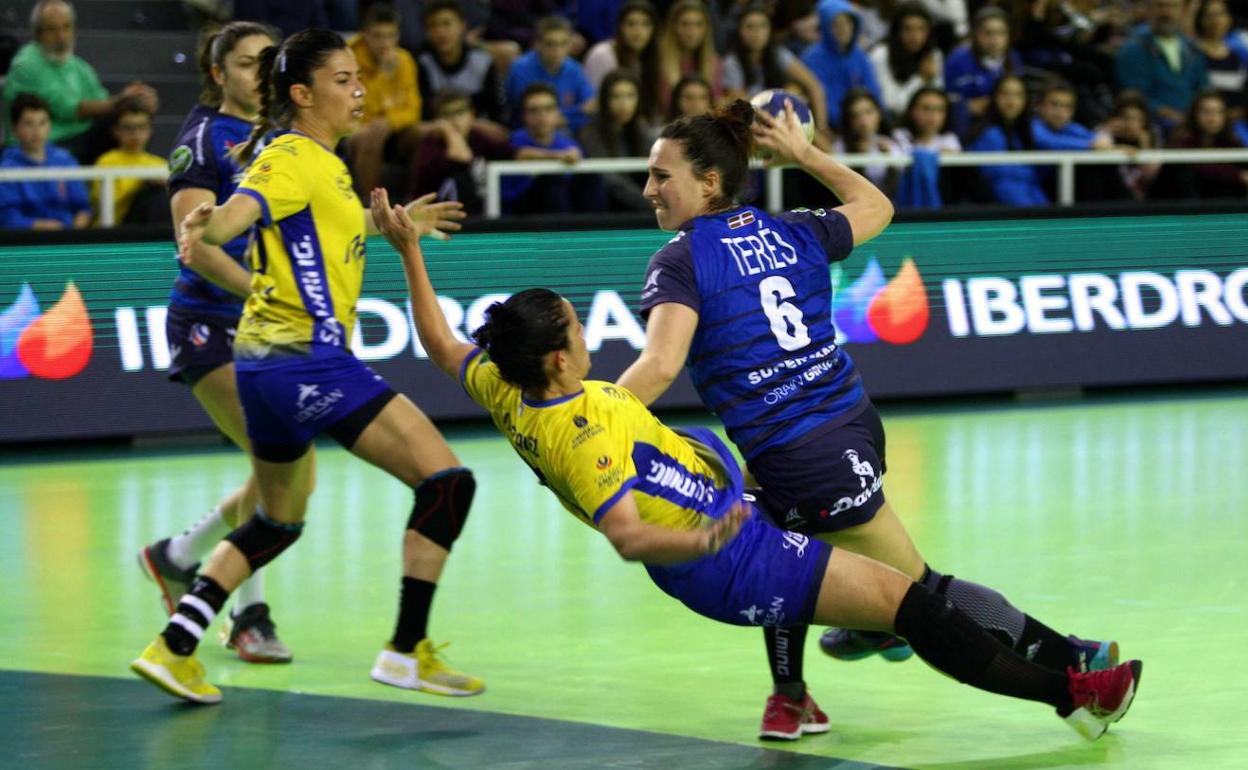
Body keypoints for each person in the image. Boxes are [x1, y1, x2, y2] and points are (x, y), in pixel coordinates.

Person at [368, 178, 1143, 745]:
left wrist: (408, 252)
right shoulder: (584, 435)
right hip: (729, 559)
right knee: (914, 603)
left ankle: (796, 693)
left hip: (724, 505)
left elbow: (439, 343)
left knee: (863, 575)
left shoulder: (504, 386)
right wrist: (708, 535)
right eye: (576, 328)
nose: (586, 332)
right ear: (559, 359)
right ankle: (1074, 695)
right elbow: (629, 536)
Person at [614, 99, 1125, 740]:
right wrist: (804, 154)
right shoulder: (792, 229)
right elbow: (878, 206)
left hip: (804, 453)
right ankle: (801, 685)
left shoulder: (681, 259)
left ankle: (1072, 662)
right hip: (851, 422)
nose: (649, 189)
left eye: (661, 175)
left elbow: (659, 366)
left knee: (922, 594)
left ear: (709, 180)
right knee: (781, 551)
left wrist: (591, 422)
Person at [129, 28, 483, 704]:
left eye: (358, 77)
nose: (360, 91)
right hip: (306, 360)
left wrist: (395, 222)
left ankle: (173, 647)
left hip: (263, 366)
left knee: (276, 521)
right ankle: (405, 650)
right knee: (447, 483)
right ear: (302, 94)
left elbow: (323, 223)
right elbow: (236, 214)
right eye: (343, 80)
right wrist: (211, 223)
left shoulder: (319, 160)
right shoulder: (291, 155)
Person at [134, 21, 295, 665]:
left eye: (269, 62)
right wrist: (262, 290)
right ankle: (247, 613)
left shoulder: (280, 139)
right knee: (274, 464)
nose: (262, 73)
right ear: (218, 73)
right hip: (209, 323)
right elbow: (195, 247)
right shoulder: (202, 140)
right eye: (249, 63)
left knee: (280, 467)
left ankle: (177, 555)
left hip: (267, 327)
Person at [2, 0, 158, 164]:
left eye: (66, 27)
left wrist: (137, 101)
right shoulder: (27, 64)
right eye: (52, 29)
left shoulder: (79, 66)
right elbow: (68, 109)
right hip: (43, 144)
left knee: (134, 118)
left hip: (78, 139)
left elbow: (104, 102)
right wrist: (121, 101)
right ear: (37, 34)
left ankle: (141, 174)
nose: (61, 36)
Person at [346, 2, 424, 197]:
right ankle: (370, 204)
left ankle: (414, 200)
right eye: (378, 36)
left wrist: (389, 121)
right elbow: (362, 107)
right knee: (371, 136)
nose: (385, 43)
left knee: (423, 134)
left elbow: (413, 109)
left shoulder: (404, 59)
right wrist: (382, 74)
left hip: (390, 129)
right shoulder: (349, 58)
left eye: (391, 36)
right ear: (365, 34)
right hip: (355, 128)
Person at [723, 3, 829, 134]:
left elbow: (814, 86)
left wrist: (822, 127)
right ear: (740, 31)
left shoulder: (778, 54)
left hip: (782, 121)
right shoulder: (731, 62)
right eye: (750, 26)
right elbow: (743, 104)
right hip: (751, 125)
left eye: (762, 26)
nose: (756, 32)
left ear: (770, 30)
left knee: (795, 92)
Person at [0, 92, 90, 231]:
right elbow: (8, 218)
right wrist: (45, 228)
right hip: (27, 240)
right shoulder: (6, 169)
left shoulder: (65, 160)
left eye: (42, 123)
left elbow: (82, 207)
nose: (37, 131)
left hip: (68, 237)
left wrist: (77, 227)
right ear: (15, 129)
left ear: (49, 126)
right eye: (29, 124)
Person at [1115, 0, 1209, 130]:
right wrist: (1171, 115)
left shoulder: (1193, 48)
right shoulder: (1133, 48)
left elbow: (1203, 88)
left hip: (1193, 124)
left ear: (1183, 10)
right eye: (1160, 6)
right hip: (1152, 126)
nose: (1167, 12)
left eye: (1173, 6)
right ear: (1149, 9)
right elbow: (1133, 96)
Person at [416, 0, 509, 126]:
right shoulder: (421, 63)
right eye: (433, 26)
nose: (440, 32)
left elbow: (499, 115)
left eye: (446, 24)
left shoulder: (482, 61)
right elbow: (423, 117)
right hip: (438, 129)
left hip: (478, 128)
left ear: (462, 26)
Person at [578, 70, 656, 211]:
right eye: (616, 97)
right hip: (607, 210)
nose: (624, 104)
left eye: (630, 96)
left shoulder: (641, 128)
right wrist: (648, 203)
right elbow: (611, 180)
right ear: (604, 100)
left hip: (641, 206)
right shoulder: (590, 133)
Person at [503, 83, 587, 214]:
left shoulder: (568, 143)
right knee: (552, 181)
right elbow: (522, 153)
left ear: (558, 113)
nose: (542, 115)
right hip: (519, 210)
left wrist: (574, 154)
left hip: (562, 206)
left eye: (549, 108)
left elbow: (576, 155)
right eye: (534, 110)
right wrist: (559, 156)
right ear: (523, 115)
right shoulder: (513, 140)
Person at [967, 74, 1050, 206]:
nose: (1011, 100)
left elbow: (1053, 140)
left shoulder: (1024, 130)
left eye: (1018, 95)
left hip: (1029, 190)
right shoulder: (988, 133)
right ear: (995, 97)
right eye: (1005, 93)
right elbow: (998, 177)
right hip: (1000, 201)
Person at [505, 15, 594, 133]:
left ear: (570, 44)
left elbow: (591, 107)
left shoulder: (575, 69)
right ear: (537, 44)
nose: (557, 50)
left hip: (569, 132)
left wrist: (561, 118)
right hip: (528, 133)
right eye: (550, 44)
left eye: (563, 43)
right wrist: (576, 112)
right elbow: (532, 117)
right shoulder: (520, 69)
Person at [799, 0, 881, 128]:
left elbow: (874, 92)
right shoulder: (812, 58)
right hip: (833, 126)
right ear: (825, 27)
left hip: (865, 122)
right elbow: (823, 100)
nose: (844, 29)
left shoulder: (859, 56)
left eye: (848, 23)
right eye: (836, 25)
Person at [943, 6, 1021, 140]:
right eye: (988, 33)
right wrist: (966, 106)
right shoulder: (957, 59)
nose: (995, 39)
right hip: (967, 123)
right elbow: (946, 98)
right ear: (975, 34)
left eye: (1001, 33)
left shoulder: (1014, 59)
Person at [90, 95, 166, 226]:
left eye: (141, 127)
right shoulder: (106, 161)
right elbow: (103, 205)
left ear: (150, 130)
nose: (135, 134)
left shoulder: (159, 164)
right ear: (116, 130)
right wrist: (140, 184)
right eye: (128, 128)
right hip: (118, 226)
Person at [582, 0, 661, 122]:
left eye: (645, 24)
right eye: (631, 24)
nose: (638, 31)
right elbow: (593, 104)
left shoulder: (650, 58)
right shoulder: (602, 55)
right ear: (620, 27)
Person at [868, 2, 943, 122]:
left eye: (921, 29)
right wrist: (920, 79)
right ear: (897, 31)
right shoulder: (880, 56)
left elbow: (937, 100)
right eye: (908, 29)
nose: (915, 36)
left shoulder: (933, 55)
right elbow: (891, 105)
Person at [657, 1, 726, 115]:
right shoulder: (658, 60)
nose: (691, 31)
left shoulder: (715, 63)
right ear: (673, 26)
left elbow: (715, 104)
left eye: (698, 24)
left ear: (706, 28)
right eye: (685, 24)